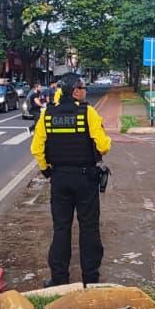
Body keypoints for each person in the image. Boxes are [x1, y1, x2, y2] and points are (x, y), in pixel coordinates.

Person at [31, 73, 112, 286]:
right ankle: (91, 279)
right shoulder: (88, 113)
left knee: (61, 228)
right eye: (84, 87)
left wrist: (47, 171)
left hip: (59, 179)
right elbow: (103, 146)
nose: (86, 91)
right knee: (89, 228)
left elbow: (37, 149)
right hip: (85, 178)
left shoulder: (47, 114)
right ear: (75, 91)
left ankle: (59, 280)